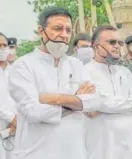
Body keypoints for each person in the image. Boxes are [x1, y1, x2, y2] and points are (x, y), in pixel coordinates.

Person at [8, 7, 99, 159]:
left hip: (75, 152)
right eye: (58, 28)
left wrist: (51, 98)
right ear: (40, 30)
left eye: (68, 30)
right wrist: (77, 101)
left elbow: (94, 105)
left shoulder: (76, 64)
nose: (64, 35)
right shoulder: (23, 65)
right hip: (35, 153)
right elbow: (33, 112)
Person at [83, 25, 132, 159]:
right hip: (102, 148)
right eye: (111, 42)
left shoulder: (124, 72)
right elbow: (97, 104)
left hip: (130, 146)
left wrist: (105, 107)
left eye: (120, 42)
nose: (117, 46)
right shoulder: (85, 72)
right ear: (96, 47)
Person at [0, 32, 17, 159]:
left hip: (15, 128)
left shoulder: (14, 71)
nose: (2, 49)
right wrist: (12, 119)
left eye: (4, 45)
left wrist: (17, 120)